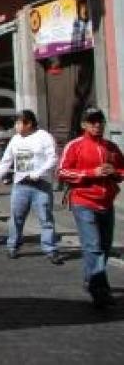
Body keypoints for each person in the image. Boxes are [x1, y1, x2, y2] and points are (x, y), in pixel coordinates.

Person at [58, 108, 124, 308]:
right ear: (84, 125)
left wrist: (114, 171)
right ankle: (100, 291)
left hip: (106, 203)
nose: (96, 125)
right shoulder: (75, 146)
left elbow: (122, 170)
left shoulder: (112, 147)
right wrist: (91, 172)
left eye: (99, 121)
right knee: (93, 246)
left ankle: (90, 279)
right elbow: (62, 172)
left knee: (104, 247)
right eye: (92, 121)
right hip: (83, 201)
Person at [0, 110, 64, 264]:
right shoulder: (15, 140)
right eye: (16, 123)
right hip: (20, 184)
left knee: (45, 218)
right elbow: (7, 159)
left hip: (41, 185)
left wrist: (39, 172)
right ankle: (13, 245)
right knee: (16, 217)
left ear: (29, 124)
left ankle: (50, 249)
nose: (16, 126)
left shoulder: (44, 137)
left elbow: (53, 158)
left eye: (19, 123)